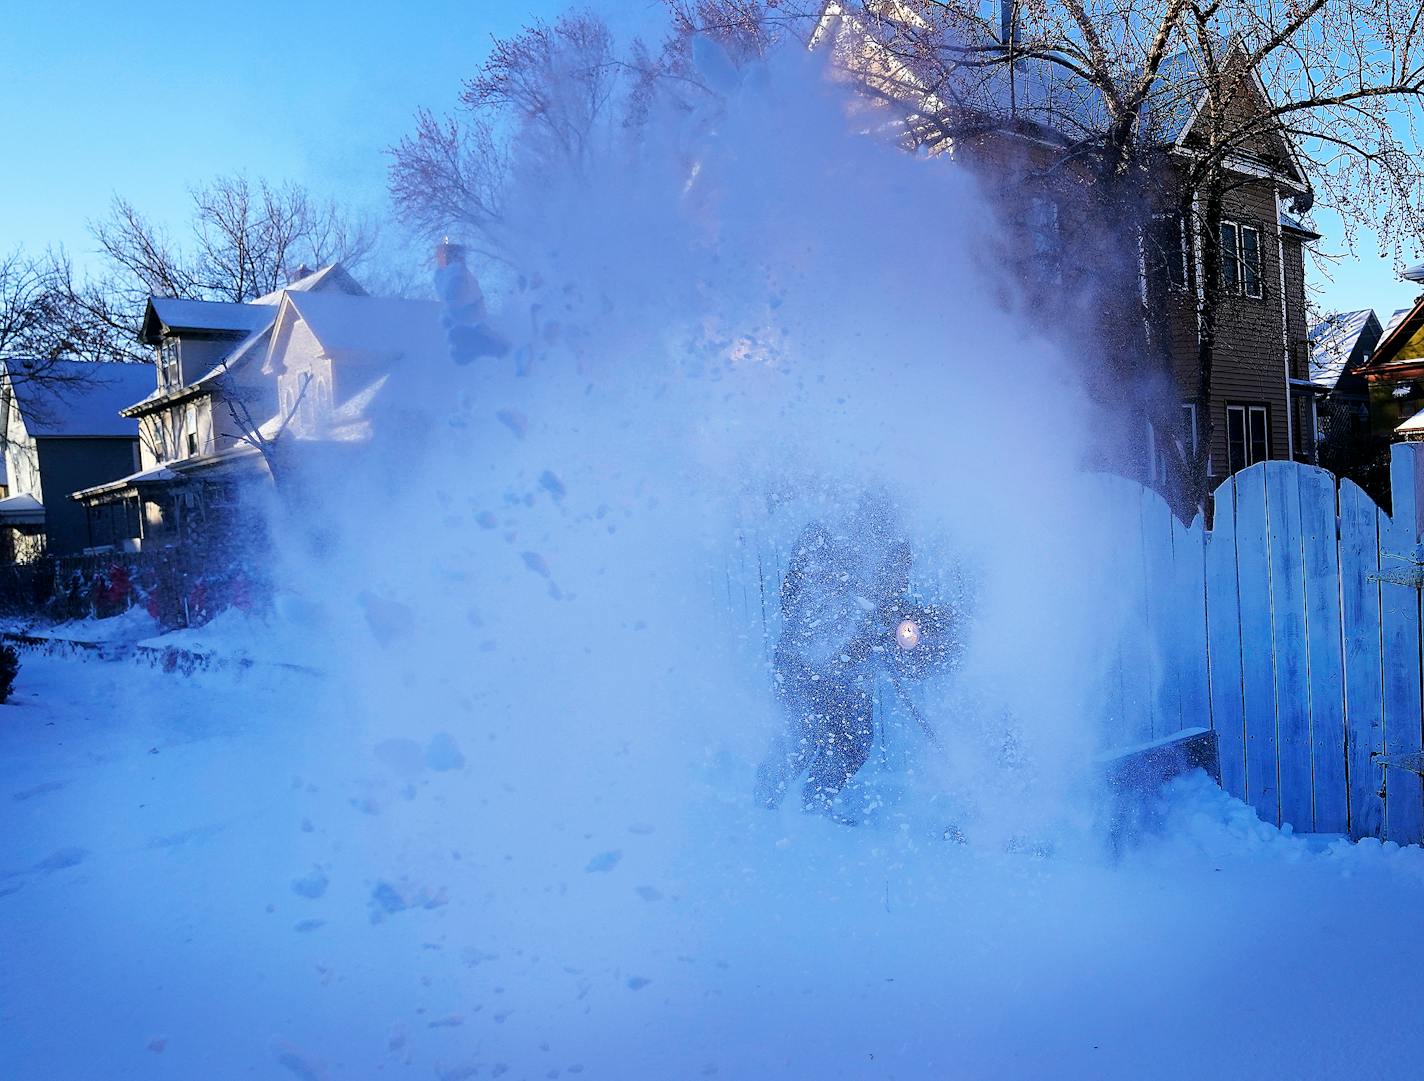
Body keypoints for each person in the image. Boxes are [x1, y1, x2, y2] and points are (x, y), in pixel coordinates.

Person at [754, 495, 951, 821]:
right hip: (804, 659)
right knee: (800, 739)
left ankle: (815, 809)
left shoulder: (894, 543)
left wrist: (885, 626)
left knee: (851, 745)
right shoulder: (823, 535)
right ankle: (761, 810)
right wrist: (840, 620)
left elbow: (890, 603)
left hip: (851, 668)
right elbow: (793, 599)